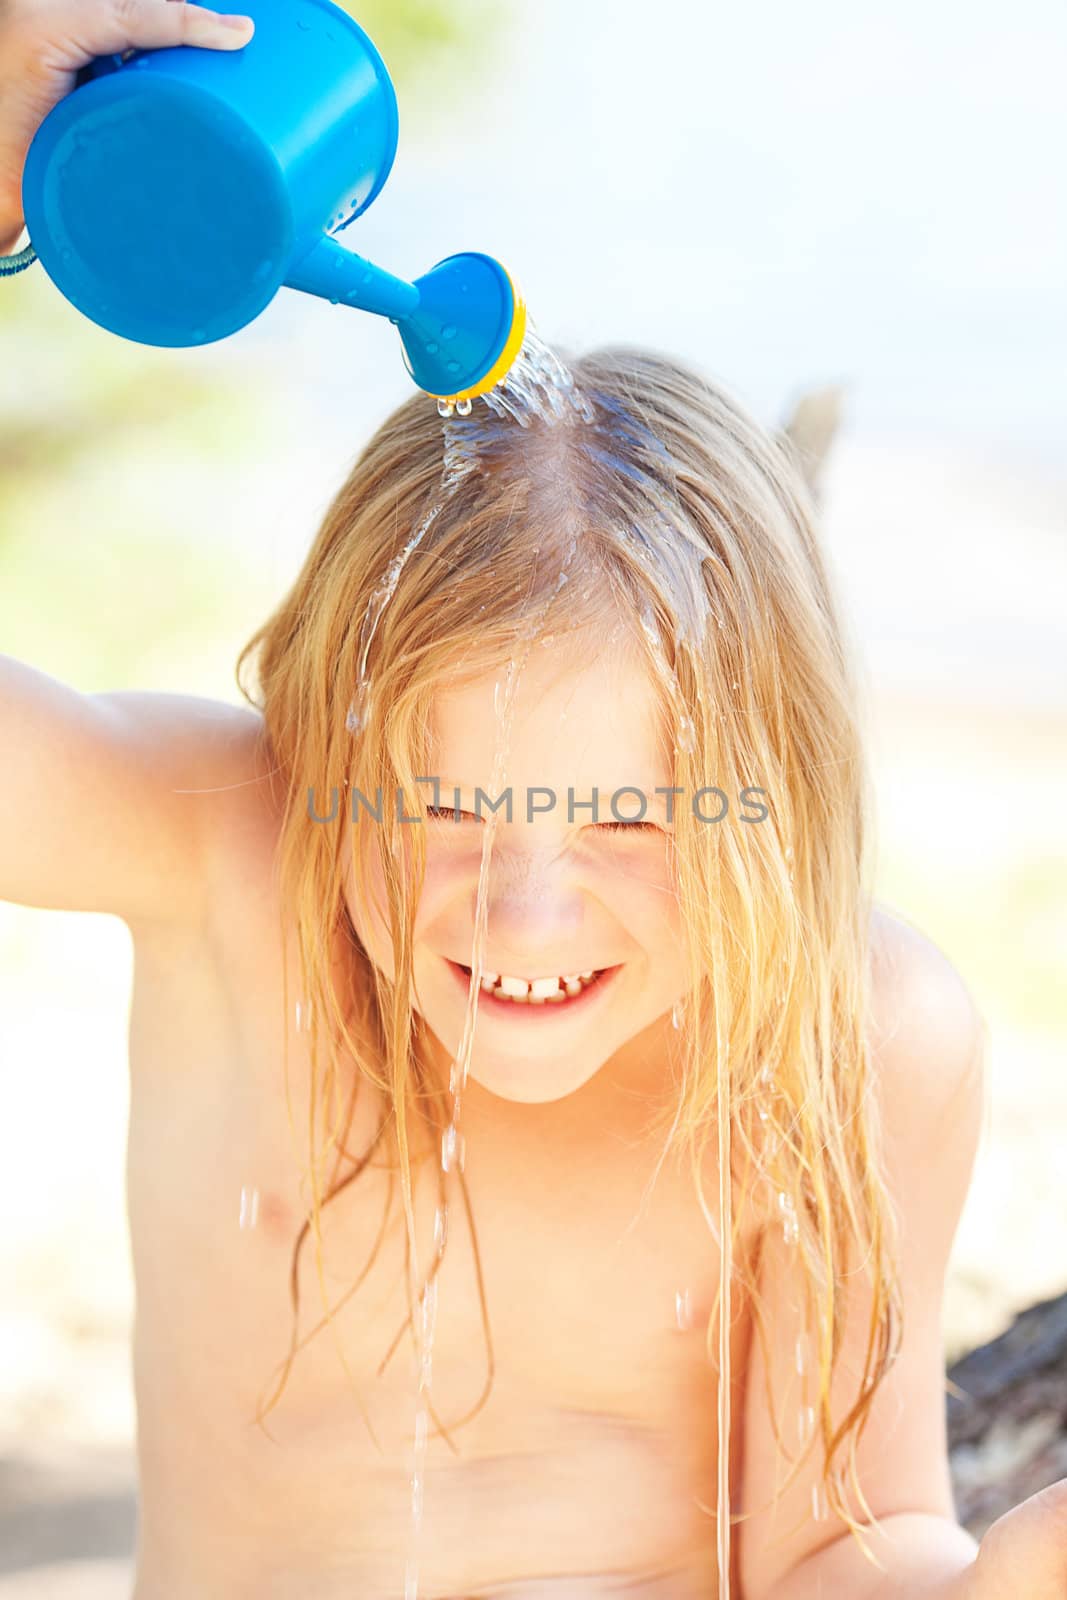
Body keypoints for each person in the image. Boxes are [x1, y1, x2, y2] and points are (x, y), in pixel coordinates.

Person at [2, 3, 1065, 1597]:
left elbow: (840, 1546)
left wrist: (1009, 1575)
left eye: (633, 821)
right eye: (439, 808)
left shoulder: (854, 1035)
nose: (526, 911)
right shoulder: (230, 847)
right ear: (325, 748)